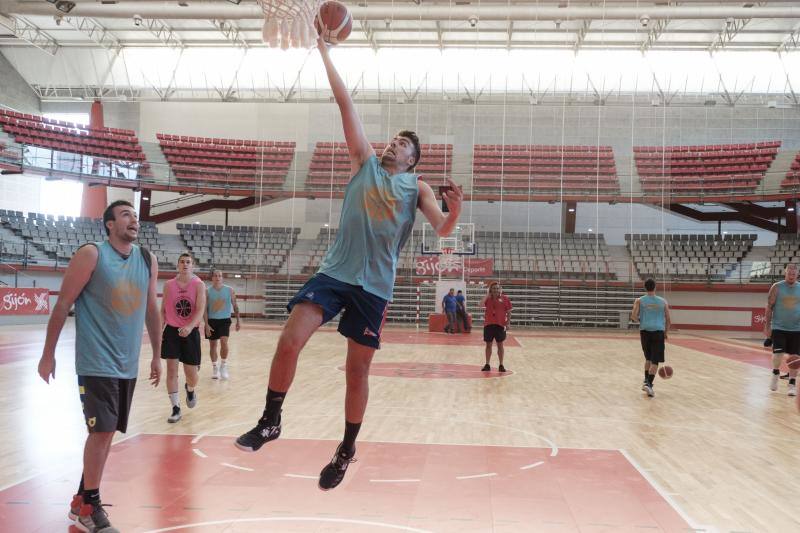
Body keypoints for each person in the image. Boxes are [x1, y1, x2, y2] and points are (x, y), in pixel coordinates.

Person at [235, 35, 463, 491]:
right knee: (289, 340)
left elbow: (441, 229)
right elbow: (346, 105)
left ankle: (345, 450)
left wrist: (455, 209)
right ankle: (271, 419)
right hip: (335, 273)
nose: (392, 144)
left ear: (412, 159)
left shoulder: (416, 187)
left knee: (356, 371)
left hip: (374, 287)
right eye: (393, 138)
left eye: (401, 144)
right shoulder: (364, 163)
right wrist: (324, 52)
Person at [37, 200, 161, 533]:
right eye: (125, 215)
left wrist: (157, 355)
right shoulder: (92, 254)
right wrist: (48, 353)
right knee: (101, 431)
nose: (133, 220)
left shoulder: (148, 260)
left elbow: (151, 309)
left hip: (127, 364)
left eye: (135, 216)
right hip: (96, 361)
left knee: (106, 436)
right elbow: (63, 302)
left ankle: (81, 501)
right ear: (109, 224)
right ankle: (90, 506)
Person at [161, 253, 206, 422]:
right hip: (172, 331)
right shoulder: (168, 285)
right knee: (171, 371)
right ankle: (175, 408)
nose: (185, 264)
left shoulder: (198, 284)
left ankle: (190, 388)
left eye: (188, 262)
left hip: (190, 332)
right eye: (182, 262)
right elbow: (163, 310)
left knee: (192, 375)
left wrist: (189, 326)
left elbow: (200, 309)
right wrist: (159, 330)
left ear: (192, 266)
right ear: (177, 265)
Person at [630, 278, 671, 398]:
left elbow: (633, 316)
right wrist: (666, 332)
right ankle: (649, 384)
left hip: (644, 332)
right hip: (658, 332)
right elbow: (668, 320)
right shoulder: (663, 301)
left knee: (648, 358)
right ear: (655, 287)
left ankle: (645, 381)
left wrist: (642, 321)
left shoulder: (639, 300)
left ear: (645, 287)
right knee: (655, 361)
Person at [763, 263, 799, 397]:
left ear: (797, 274)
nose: (791, 275)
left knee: (795, 358)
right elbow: (769, 306)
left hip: (797, 329)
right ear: (785, 273)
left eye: (794, 274)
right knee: (778, 355)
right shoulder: (777, 287)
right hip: (779, 327)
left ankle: (792, 384)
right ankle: (775, 372)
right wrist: (767, 327)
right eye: (789, 273)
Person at [204, 269, 241, 380]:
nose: (217, 277)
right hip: (211, 321)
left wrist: (238, 321)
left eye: (219, 275)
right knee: (213, 345)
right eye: (215, 276)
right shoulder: (207, 291)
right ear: (212, 278)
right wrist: (206, 324)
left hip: (225, 320)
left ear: (222, 277)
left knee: (224, 342)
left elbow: (235, 306)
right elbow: (204, 309)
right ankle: (215, 367)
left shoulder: (230, 290)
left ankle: (223, 365)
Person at [481, 281, 512, 372]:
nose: (496, 290)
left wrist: (508, 322)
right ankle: (487, 364)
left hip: (500, 325)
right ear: (491, 290)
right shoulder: (488, 298)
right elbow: (480, 304)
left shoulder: (505, 299)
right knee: (488, 345)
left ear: (500, 289)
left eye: (497, 288)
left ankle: (501, 365)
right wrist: (487, 295)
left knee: (500, 345)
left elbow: (509, 312)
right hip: (488, 325)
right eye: (494, 288)